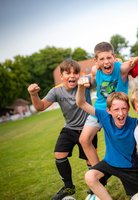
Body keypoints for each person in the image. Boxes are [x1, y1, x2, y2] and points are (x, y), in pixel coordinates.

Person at [27, 59, 97, 200]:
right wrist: (34, 95)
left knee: (90, 161)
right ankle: (68, 186)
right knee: (59, 154)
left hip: (87, 128)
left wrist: (94, 71)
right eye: (68, 73)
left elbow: (95, 75)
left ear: (80, 74)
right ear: (61, 76)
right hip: (69, 128)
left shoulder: (85, 82)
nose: (72, 76)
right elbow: (40, 107)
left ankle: (95, 187)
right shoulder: (56, 91)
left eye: (75, 73)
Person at [76, 77, 138, 200]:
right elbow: (81, 103)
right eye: (116, 109)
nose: (120, 113)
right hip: (109, 164)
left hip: (129, 168)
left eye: (124, 109)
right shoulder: (104, 116)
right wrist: (80, 87)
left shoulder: (135, 123)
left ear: (128, 108)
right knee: (90, 176)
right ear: (109, 110)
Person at [79, 42, 134, 168]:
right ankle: (99, 173)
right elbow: (92, 74)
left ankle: (134, 166)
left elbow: (131, 63)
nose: (106, 62)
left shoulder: (121, 69)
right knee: (84, 139)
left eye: (109, 58)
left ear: (114, 57)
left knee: (123, 144)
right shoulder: (95, 70)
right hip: (99, 110)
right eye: (102, 59)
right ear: (96, 61)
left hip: (117, 110)